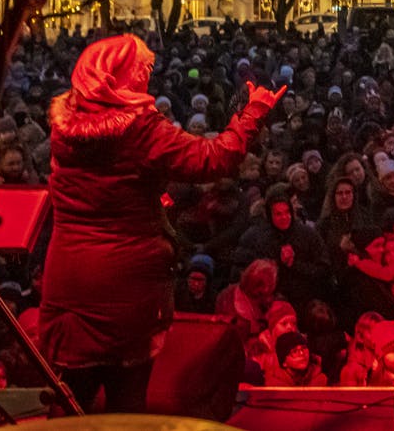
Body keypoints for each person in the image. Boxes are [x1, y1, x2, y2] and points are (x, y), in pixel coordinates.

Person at [38, 34, 284, 413]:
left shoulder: (66, 126)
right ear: (120, 75)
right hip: (124, 287)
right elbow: (214, 158)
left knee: (69, 402)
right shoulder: (138, 129)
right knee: (126, 403)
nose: (145, 80)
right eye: (141, 71)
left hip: (69, 278)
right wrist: (253, 113)